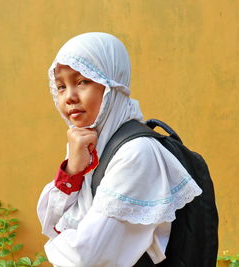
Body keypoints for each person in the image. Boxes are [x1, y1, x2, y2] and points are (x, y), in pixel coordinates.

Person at [37, 32, 202, 267]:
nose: (70, 97)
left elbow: (86, 258)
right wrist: (72, 170)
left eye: (83, 81)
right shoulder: (88, 146)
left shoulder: (137, 153)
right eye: (61, 86)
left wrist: (56, 244)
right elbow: (49, 220)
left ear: (112, 84)